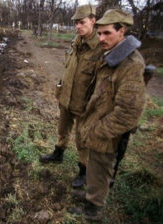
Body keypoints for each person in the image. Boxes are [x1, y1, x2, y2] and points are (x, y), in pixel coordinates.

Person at [71, 9, 146, 220]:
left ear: (121, 31)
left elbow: (128, 112)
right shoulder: (111, 55)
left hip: (107, 130)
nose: (101, 38)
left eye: (106, 33)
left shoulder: (130, 65)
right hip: (99, 122)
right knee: (94, 165)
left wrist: (98, 130)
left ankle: (93, 207)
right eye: (100, 33)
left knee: (102, 167)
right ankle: (91, 194)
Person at [39, 4, 102, 188]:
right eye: (75, 23)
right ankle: (58, 153)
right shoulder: (76, 42)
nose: (78, 26)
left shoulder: (100, 48)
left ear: (93, 20)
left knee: (83, 138)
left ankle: (84, 170)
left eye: (82, 22)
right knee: (62, 128)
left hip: (84, 103)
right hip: (67, 98)